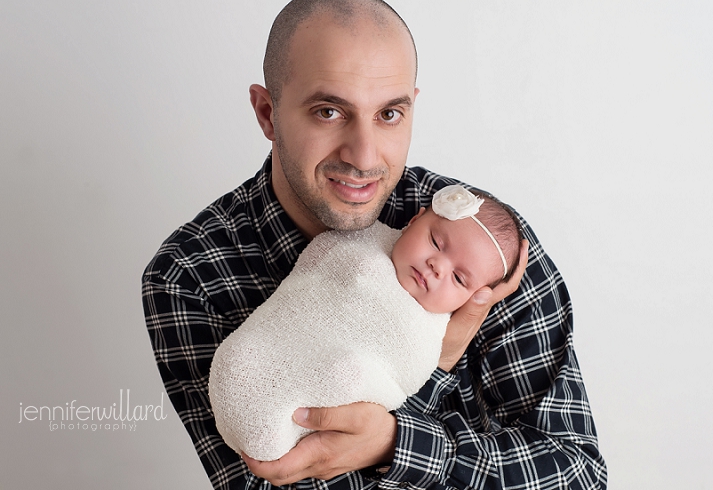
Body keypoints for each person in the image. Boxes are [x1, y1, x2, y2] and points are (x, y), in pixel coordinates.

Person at [142, 0, 607, 490]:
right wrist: (440, 366)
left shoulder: (481, 241)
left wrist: (395, 441)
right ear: (267, 113)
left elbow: (577, 474)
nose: (364, 157)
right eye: (329, 111)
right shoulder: (190, 275)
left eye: (389, 114)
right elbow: (264, 477)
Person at [208, 186, 524, 462]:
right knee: (242, 357)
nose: (437, 266)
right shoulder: (364, 238)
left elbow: (402, 380)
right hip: (271, 349)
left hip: (335, 380)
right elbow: (312, 273)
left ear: (474, 298)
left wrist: (443, 358)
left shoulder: (431, 332)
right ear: (414, 221)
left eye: (458, 278)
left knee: (346, 374)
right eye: (435, 242)